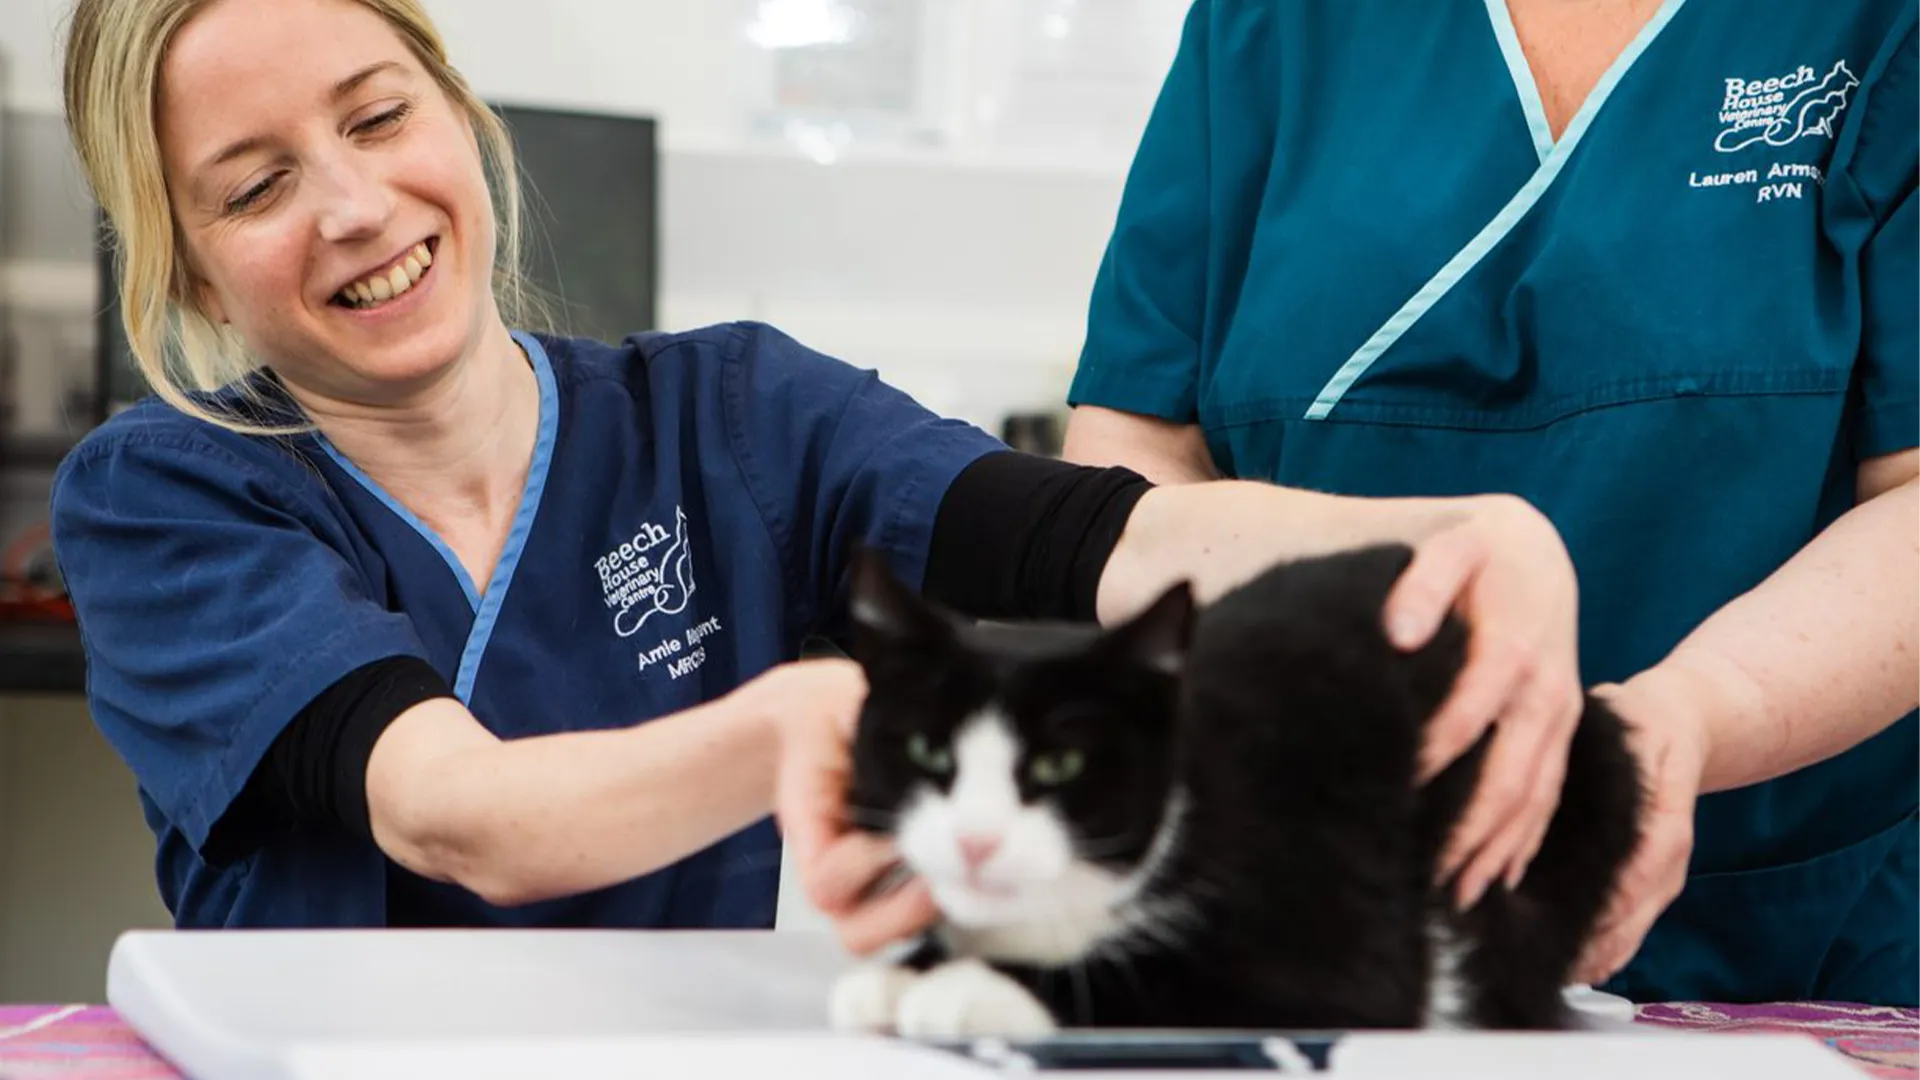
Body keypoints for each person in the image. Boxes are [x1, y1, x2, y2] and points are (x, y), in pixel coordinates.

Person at [51, 0, 1585, 933]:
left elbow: (1101, 538)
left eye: (381, 116)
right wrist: (786, 721)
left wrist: (1456, 530)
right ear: (186, 273)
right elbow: (457, 815)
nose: (356, 205)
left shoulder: (731, 414)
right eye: (256, 186)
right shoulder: (166, 495)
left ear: (460, 115)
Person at [1048, 0, 1915, 1007]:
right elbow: (1134, 457)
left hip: (1783, 934)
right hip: (1312, 901)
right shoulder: (1270, 28)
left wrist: (1684, 725)